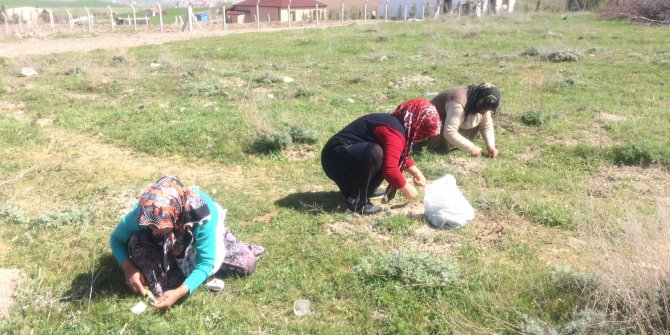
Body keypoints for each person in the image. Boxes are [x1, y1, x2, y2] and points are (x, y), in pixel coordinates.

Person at [110, 176, 264, 309]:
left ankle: (225, 241)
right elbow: (116, 239)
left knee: (246, 263)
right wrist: (128, 268)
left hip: (196, 238)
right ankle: (176, 263)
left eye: (159, 227)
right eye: (150, 226)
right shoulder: (146, 211)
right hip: (167, 245)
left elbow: (206, 262)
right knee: (158, 286)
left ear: (176, 216)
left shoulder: (201, 216)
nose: (154, 231)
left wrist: (181, 291)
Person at [321, 99, 442, 215]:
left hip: (344, 155)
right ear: (418, 126)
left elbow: (397, 153)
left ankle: (365, 191)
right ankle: (357, 200)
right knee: (374, 152)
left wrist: (416, 172)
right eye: (426, 133)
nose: (425, 138)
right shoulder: (393, 131)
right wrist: (408, 190)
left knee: (380, 153)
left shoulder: (398, 126)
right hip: (335, 157)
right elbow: (390, 170)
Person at [427, 83, 501, 158]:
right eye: (483, 109)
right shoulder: (458, 103)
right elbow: (449, 132)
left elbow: (486, 126)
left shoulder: (479, 100)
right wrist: (471, 148)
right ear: (477, 98)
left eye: (486, 110)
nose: (483, 111)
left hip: (448, 121)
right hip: (431, 125)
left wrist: (491, 146)